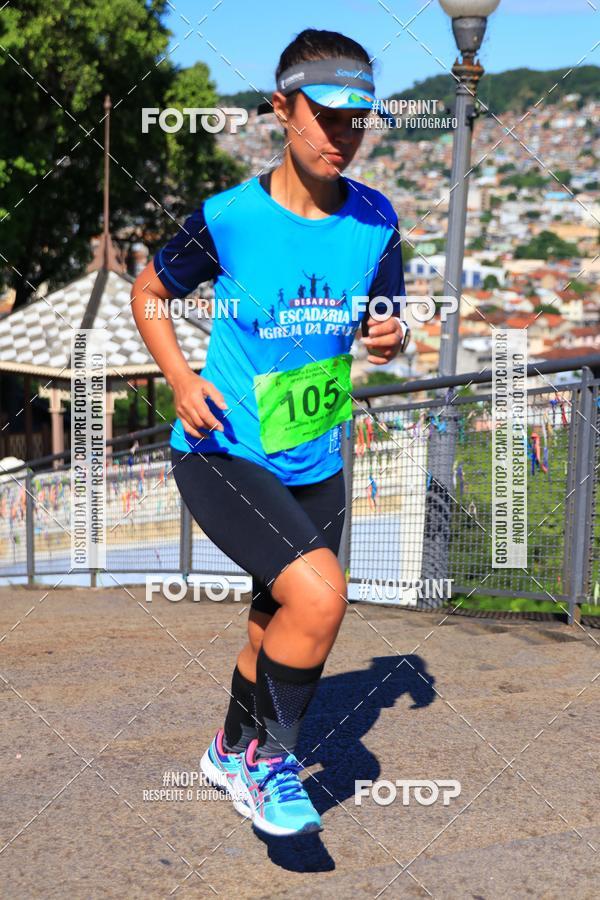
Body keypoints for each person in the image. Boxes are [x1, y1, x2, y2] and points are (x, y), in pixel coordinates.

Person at [131, 27, 410, 837]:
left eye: (358, 121)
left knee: (274, 617)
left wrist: (390, 334)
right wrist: (182, 382)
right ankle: (269, 763)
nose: (342, 137)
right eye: (325, 116)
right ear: (283, 110)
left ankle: (225, 749)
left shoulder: (376, 220)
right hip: (224, 450)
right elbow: (150, 291)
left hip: (316, 453)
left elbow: (381, 318)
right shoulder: (228, 219)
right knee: (321, 597)